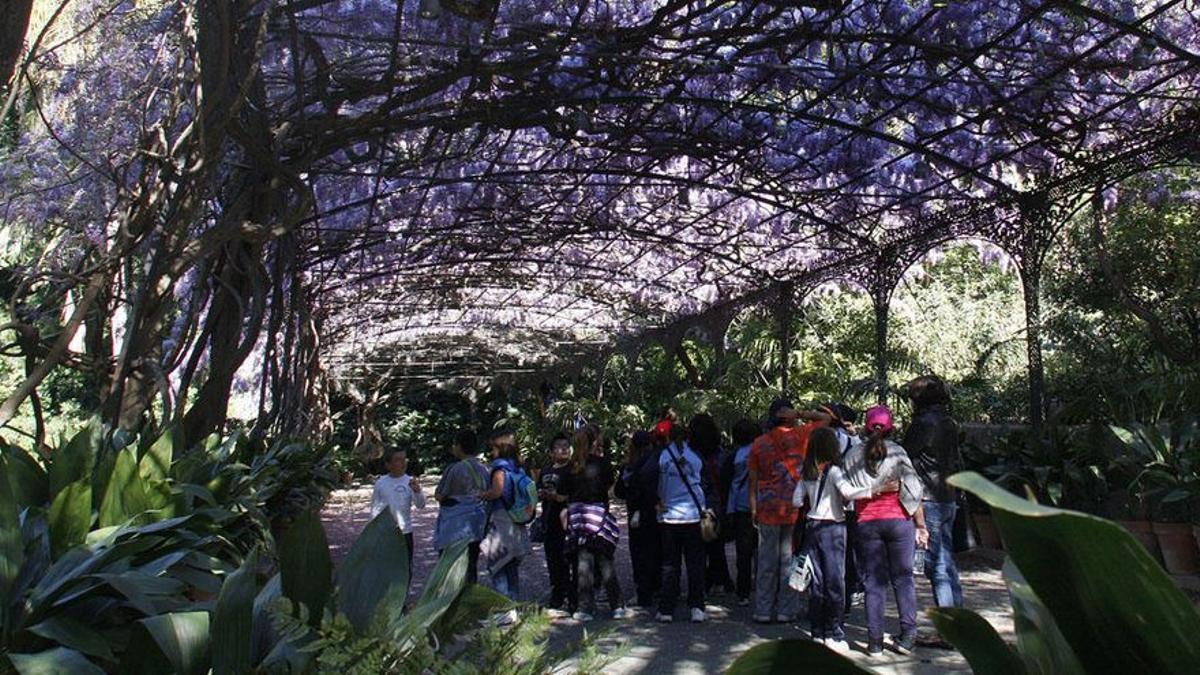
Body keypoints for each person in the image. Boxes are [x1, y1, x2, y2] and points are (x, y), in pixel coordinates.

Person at [793, 427, 897, 651]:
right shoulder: (834, 472)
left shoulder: (806, 472)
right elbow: (849, 493)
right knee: (835, 583)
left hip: (812, 528)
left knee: (817, 583)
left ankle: (817, 632)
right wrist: (875, 489)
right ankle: (834, 633)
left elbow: (795, 501)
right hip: (833, 528)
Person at [843, 405, 928, 656]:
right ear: (890, 427)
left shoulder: (853, 454)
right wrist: (921, 525)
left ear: (866, 426)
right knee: (903, 579)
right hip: (899, 521)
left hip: (867, 523)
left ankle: (875, 642)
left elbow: (845, 490)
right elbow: (914, 491)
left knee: (873, 583)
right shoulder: (898, 452)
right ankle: (908, 636)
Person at [748, 399, 830, 623]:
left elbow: (753, 480)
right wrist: (800, 412)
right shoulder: (802, 435)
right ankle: (786, 609)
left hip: (766, 508)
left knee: (766, 561)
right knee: (788, 559)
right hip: (793, 507)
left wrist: (753, 508)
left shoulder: (758, 443)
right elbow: (826, 419)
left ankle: (763, 610)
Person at [903, 375, 964, 612]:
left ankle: (948, 623)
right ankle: (957, 617)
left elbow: (904, 454)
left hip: (929, 499)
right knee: (946, 561)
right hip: (947, 496)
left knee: (937, 564)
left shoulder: (923, 424)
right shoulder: (949, 422)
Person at [559, 427, 627, 621]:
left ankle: (585, 607)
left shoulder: (570, 467)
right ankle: (617, 604)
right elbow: (608, 485)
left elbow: (564, 492)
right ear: (593, 442)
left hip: (578, 517)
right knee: (605, 560)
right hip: (598, 515)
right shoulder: (603, 463)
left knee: (583, 562)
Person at [651, 424, 708, 623]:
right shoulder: (695, 457)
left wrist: (655, 501)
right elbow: (705, 482)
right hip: (692, 514)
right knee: (695, 563)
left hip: (668, 516)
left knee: (670, 564)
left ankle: (667, 608)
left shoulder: (661, 456)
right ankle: (697, 607)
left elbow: (646, 477)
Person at [478, 430, 534, 606]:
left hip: (502, 518)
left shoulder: (499, 468)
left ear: (500, 449)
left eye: (493, 449)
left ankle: (503, 606)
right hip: (516, 517)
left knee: (498, 564)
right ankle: (513, 603)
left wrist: (482, 495)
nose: (491, 453)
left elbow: (497, 491)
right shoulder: (518, 467)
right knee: (511, 565)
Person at [433, 429, 490, 583]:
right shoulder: (484, 468)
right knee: (471, 564)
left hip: (454, 525)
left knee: (450, 568)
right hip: (476, 523)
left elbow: (440, 495)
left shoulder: (454, 469)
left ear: (459, 446)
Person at [615, 430, 660, 608]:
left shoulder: (629, 466)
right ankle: (657, 585)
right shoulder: (658, 461)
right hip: (655, 511)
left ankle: (644, 592)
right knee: (656, 549)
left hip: (637, 513)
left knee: (639, 552)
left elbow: (619, 491)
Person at [690, 413, 734, 595]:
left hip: (700, 504)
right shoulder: (723, 455)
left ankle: (712, 581)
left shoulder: (692, 457)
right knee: (716, 544)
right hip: (720, 503)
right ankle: (720, 580)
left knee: (705, 546)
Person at [722, 418, 759, 606]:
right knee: (762, 549)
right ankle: (763, 587)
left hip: (741, 507)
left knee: (743, 552)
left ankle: (743, 592)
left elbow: (729, 485)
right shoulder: (762, 450)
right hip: (762, 505)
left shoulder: (734, 456)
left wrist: (729, 510)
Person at [370, 446, 426, 571]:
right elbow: (375, 508)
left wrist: (417, 491)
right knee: (386, 569)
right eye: (398, 460)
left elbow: (421, 505)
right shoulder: (380, 483)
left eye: (404, 459)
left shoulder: (410, 482)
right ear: (388, 465)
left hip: (404, 532)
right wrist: (372, 531)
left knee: (405, 569)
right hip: (385, 533)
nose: (403, 462)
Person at [537, 433, 574, 614]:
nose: (564, 449)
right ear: (551, 452)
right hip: (549, 518)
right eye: (559, 446)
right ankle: (557, 592)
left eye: (566, 445)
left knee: (567, 557)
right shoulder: (545, 470)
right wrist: (542, 494)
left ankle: (569, 594)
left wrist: (558, 497)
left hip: (567, 519)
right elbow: (537, 490)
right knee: (552, 557)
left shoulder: (573, 469)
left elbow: (577, 495)